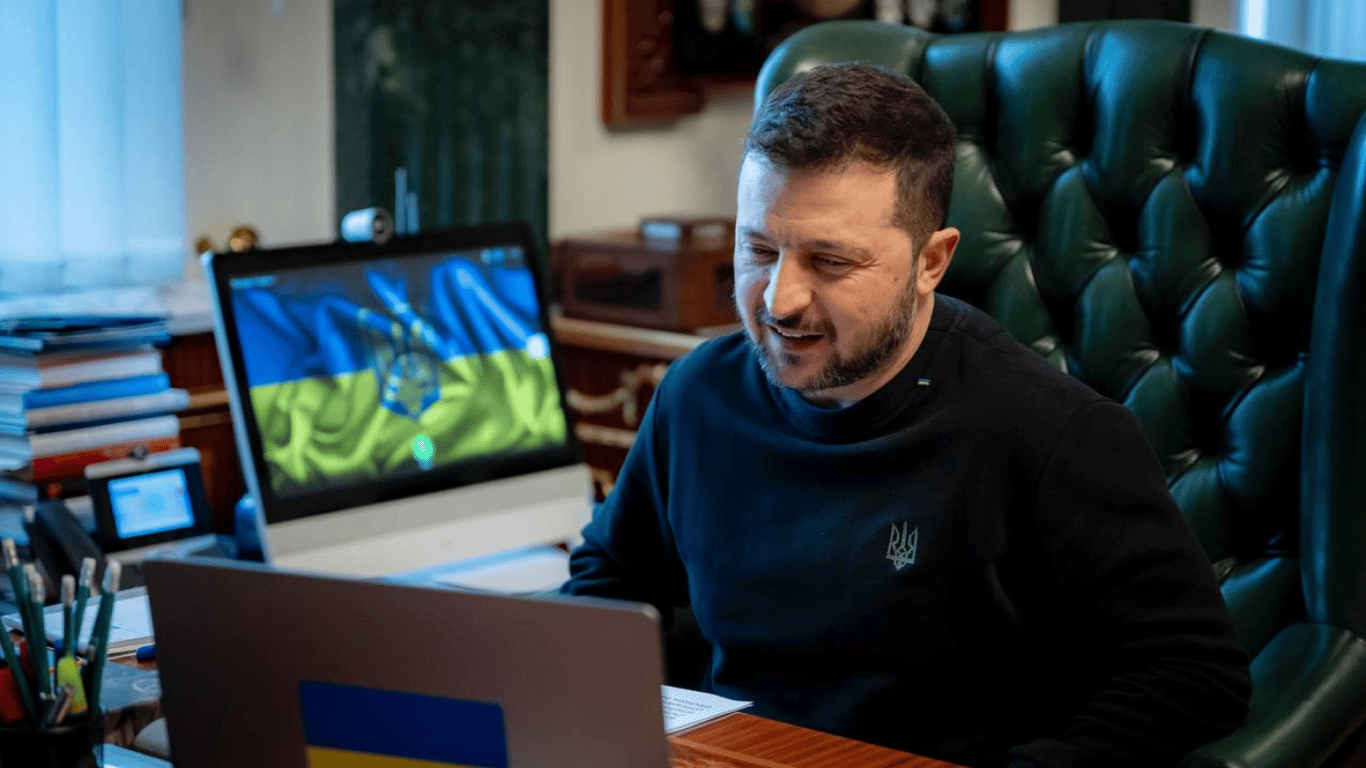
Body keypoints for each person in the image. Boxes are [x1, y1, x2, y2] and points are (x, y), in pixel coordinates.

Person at [562, 62, 1251, 768]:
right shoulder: (697, 397)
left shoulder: (1054, 436)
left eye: (830, 262)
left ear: (932, 262)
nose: (778, 300)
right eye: (758, 250)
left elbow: (1196, 675)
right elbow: (610, 577)